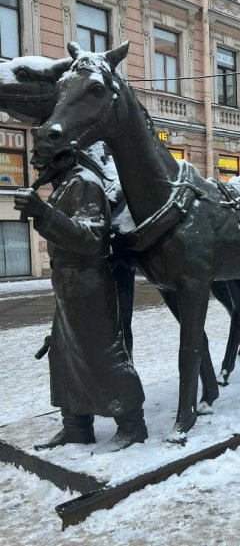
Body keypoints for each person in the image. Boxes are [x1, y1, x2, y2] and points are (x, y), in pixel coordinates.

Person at [14, 149, 148, 453]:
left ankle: (132, 425)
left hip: (89, 281)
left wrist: (44, 212)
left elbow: (92, 240)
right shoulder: (65, 186)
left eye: (41, 155)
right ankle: (77, 426)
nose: (35, 162)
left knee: (102, 353)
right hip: (68, 281)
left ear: (63, 156)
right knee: (63, 354)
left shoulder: (85, 183)